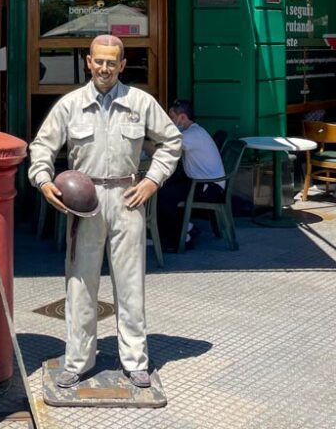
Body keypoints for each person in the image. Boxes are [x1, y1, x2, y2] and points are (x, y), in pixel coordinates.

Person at [28, 34, 181, 390]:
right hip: (85, 203)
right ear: (88, 61)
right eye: (99, 61)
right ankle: (78, 360)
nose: (105, 68)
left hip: (128, 198)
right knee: (80, 282)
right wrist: (43, 181)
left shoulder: (140, 102)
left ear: (123, 65)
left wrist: (152, 181)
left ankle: (135, 360)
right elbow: (41, 147)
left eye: (112, 62)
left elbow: (172, 141)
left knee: (130, 283)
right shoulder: (70, 105)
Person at [155, 99, 226, 252]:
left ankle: (181, 238)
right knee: (167, 187)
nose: (169, 121)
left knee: (165, 194)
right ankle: (186, 227)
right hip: (201, 183)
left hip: (210, 188)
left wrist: (145, 144)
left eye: (172, 117)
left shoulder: (192, 135)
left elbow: (165, 149)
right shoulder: (193, 132)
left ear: (182, 118)